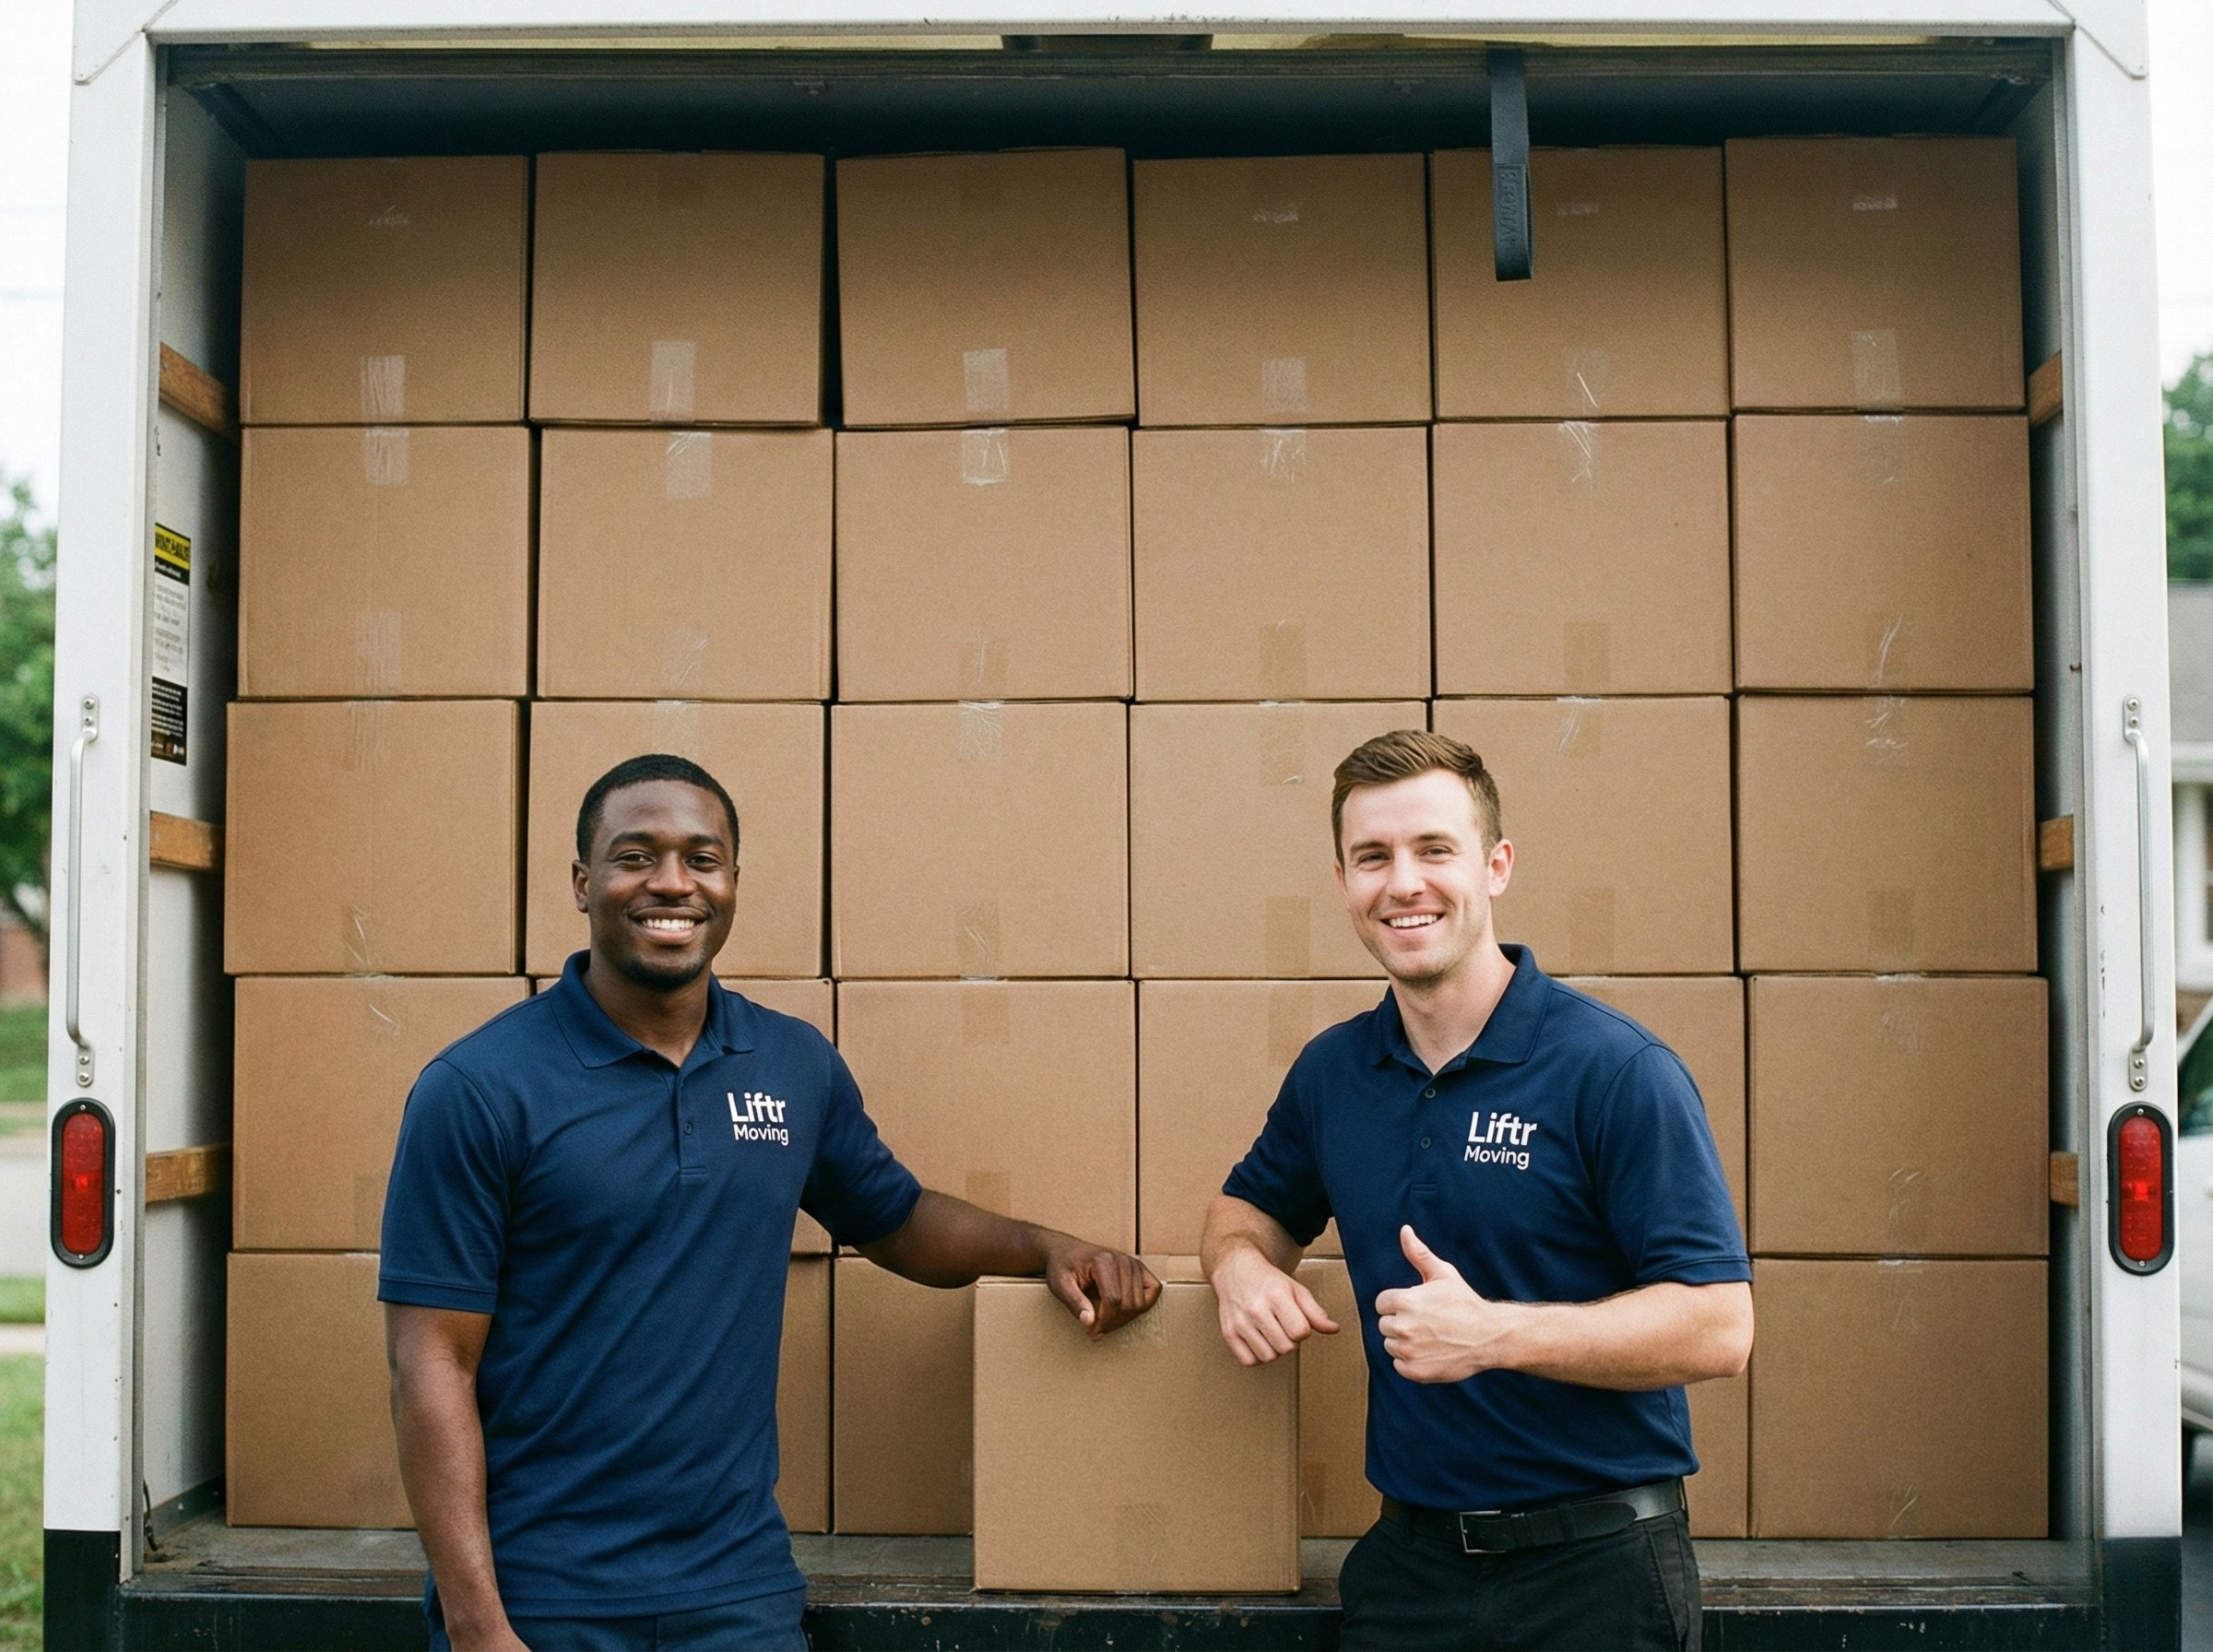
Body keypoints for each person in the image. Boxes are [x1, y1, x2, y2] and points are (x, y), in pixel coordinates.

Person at [380, 754, 1160, 1652]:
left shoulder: (790, 1064)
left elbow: (898, 1221)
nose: (672, 882)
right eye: (636, 856)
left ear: (734, 882)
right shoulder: (480, 1088)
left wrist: (1047, 1248)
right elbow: (431, 1366)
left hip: (737, 1594)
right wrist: (479, 1626)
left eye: (701, 858)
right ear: (582, 881)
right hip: (545, 1600)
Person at [1201, 729, 1752, 1652]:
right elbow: (1242, 1212)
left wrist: (1496, 1333)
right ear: (1343, 882)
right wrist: (1238, 1268)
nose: (1403, 881)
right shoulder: (1336, 1073)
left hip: (1597, 1576)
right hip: (1407, 1575)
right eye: (1373, 856)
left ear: (1495, 866)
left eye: (1434, 849)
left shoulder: (1615, 1070)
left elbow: (1721, 1324)